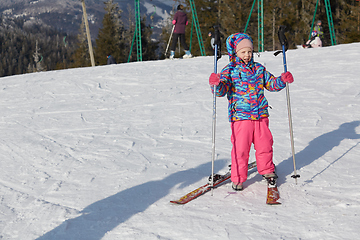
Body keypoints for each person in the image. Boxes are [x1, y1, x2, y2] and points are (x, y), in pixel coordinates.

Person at [208, 33, 294, 191]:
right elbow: (221, 90)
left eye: (249, 51)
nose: (247, 55)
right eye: (243, 52)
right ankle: (238, 178)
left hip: (261, 115)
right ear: (235, 53)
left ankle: (267, 171)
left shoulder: (259, 69)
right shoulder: (230, 70)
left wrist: (282, 80)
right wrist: (216, 84)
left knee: (265, 145)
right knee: (240, 149)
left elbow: (271, 84)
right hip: (240, 117)